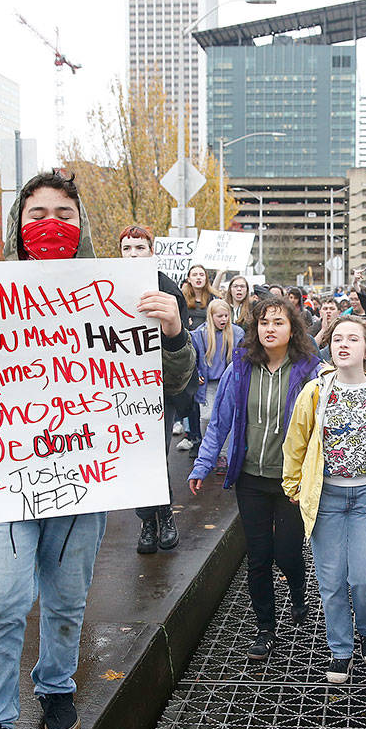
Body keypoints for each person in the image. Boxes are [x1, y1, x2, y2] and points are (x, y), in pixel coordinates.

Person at [0, 172, 193, 729]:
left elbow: (174, 382)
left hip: (84, 472)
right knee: (1, 596)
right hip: (7, 471)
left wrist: (174, 334)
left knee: (67, 596)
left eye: (63, 213)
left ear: (82, 223)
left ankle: (57, 687)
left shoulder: (120, 293)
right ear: (17, 222)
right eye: (36, 212)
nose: (50, 223)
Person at [283, 315, 366, 684]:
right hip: (327, 496)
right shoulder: (316, 391)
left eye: (352, 339)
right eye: (337, 338)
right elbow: (297, 441)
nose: (342, 344)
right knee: (331, 578)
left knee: (365, 577)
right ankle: (340, 648)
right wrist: (293, 484)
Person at [189, 297, 320, 661]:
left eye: (278, 322)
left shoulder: (310, 370)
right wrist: (203, 465)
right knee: (259, 556)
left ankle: (297, 587)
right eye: (263, 322)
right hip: (250, 478)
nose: (270, 329)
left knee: (287, 552)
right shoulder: (241, 368)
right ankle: (265, 628)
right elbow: (220, 421)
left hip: (290, 481)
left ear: (292, 328)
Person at [117, 225, 195, 554]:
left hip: (160, 392)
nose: (133, 253)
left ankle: (164, 515)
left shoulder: (168, 290)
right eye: (127, 248)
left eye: (139, 247)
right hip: (121, 392)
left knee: (154, 457)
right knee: (137, 459)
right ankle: (148, 521)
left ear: (152, 251)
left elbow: (180, 345)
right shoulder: (107, 285)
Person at [186, 298, 244, 454]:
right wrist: (196, 373)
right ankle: (209, 450)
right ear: (211, 316)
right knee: (206, 417)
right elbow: (192, 358)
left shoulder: (237, 333)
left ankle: (224, 454)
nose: (224, 319)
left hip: (229, 382)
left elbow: (243, 358)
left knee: (228, 418)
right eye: (219, 316)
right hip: (208, 383)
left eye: (226, 316)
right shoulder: (199, 334)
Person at [175, 264, 218, 444]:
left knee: (205, 397)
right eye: (195, 274)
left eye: (202, 274)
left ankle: (205, 437)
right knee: (191, 395)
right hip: (190, 351)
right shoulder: (182, 299)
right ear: (189, 278)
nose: (199, 278)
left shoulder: (214, 298)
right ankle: (191, 435)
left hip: (209, 351)